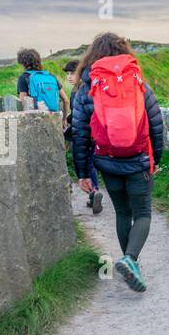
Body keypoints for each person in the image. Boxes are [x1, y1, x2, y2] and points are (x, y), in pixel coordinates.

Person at [70, 32, 163, 293]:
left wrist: (82, 172)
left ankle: (130, 261)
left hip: (106, 160)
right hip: (139, 159)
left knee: (123, 212)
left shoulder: (86, 86)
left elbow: (80, 133)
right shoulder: (136, 80)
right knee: (143, 213)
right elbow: (156, 122)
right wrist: (156, 158)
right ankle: (130, 260)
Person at [63, 60, 102, 214]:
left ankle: (94, 191)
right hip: (91, 133)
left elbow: (80, 113)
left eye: (72, 73)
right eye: (67, 74)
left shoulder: (79, 91)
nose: (69, 77)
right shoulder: (80, 89)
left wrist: (69, 121)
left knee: (87, 163)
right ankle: (94, 192)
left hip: (85, 133)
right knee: (90, 164)